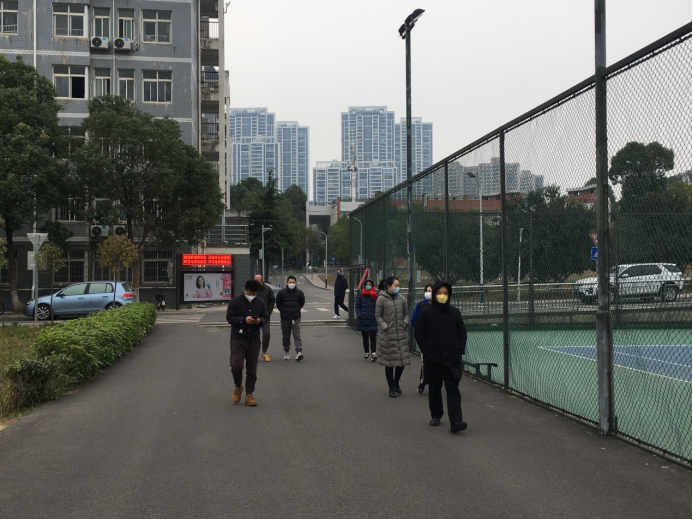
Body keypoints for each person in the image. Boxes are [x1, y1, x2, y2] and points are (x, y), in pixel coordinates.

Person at [414, 280, 468, 433]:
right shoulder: (426, 313)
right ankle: (436, 414)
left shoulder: (454, 312)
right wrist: (427, 351)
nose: (442, 295)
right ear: (434, 294)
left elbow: (462, 333)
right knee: (435, 387)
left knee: (453, 388)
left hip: (451, 357)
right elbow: (419, 334)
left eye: (445, 293)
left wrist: (458, 350)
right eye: (439, 293)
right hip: (433, 357)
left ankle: (456, 421)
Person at [225, 279, 269, 407]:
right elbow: (230, 317)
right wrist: (243, 320)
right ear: (244, 290)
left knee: (252, 368)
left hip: (254, 339)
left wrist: (259, 321)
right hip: (238, 338)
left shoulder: (260, 302)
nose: (252, 296)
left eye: (254, 294)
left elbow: (265, 317)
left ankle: (249, 394)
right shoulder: (235, 301)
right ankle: (238, 386)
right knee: (236, 366)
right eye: (250, 293)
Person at [375, 276, 410, 398]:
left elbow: (406, 314)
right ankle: (391, 387)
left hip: (400, 335)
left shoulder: (402, 299)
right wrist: (385, 327)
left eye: (398, 285)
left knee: (401, 361)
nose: (398, 288)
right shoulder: (381, 299)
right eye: (396, 285)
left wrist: (404, 323)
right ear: (388, 286)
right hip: (387, 336)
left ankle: (396, 382)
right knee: (389, 363)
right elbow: (378, 316)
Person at [275, 275, 306, 361]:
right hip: (285, 317)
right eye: (290, 282)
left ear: (296, 283)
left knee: (297, 335)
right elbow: (278, 303)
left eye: (293, 282)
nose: (291, 284)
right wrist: (283, 310)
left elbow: (301, 303)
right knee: (286, 335)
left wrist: (296, 309)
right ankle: (286, 352)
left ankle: (299, 351)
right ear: (287, 283)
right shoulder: (281, 292)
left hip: (296, 317)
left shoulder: (299, 293)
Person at [411, 284, 434, 393]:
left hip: (435, 338)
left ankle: (434, 383)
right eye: (428, 291)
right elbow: (413, 320)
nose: (429, 293)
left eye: (431, 291)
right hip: (424, 339)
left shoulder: (438, 305)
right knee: (425, 361)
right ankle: (422, 382)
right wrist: (420, 330)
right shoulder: (420, 305)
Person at [253, 274, 276, 362]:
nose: (256, 283)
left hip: (264, 316)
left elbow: (272, 300)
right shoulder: (252, 288)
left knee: (266, 334)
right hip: (253, 315)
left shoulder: (267, 289)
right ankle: (252, 352)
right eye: (255, 281)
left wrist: (268, 311)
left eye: (257, 281)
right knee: (253, 335)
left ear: (261, 281)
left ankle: (264, 352)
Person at [355, 277, 379, 361]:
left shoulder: (375, 295)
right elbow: (357, 306)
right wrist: (359, 314)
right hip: (363, 320)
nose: (368, 286)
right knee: (365, 338)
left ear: (372, 285)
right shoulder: (361, 295)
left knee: (373, 337)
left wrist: (376, 315)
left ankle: (373, 353)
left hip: (373, 320)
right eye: (367, 284)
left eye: (370, 284)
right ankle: (366, 352)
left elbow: (378, 306)